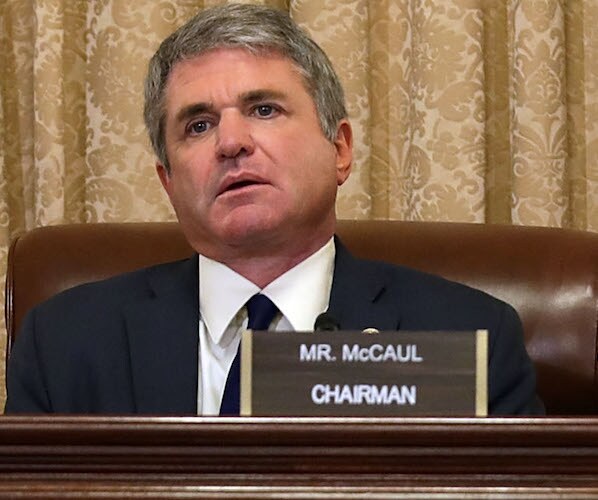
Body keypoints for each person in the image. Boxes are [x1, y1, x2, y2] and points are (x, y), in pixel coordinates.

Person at [4, 3, 543, 415]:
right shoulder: (64, 343)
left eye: (264, 109)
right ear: (167, 182)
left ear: (340, 149)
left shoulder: (470, 339)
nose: (231, 142)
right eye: (198, 124)